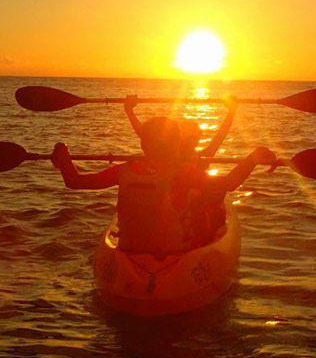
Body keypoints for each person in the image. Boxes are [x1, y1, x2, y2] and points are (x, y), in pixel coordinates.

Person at [51, 116, 275, 255]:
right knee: (208, 213)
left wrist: (62, 154)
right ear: (177, 145)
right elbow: (229, 183)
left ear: (143, 144)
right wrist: (254, 157)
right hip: (174, 252)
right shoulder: (183, 173)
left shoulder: (124, 170)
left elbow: (74, 181)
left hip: (129, 250)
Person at [123, 94, 239, 247]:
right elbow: (144, 134)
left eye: (195, 136)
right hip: (178, 208)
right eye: (190, 135)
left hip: (191, 208)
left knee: (204, 198)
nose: (193, 139)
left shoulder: (202, 156)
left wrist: (231, 112)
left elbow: (220, 136)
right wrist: (129, 111)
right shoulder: (169, 157)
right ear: (178, 138)